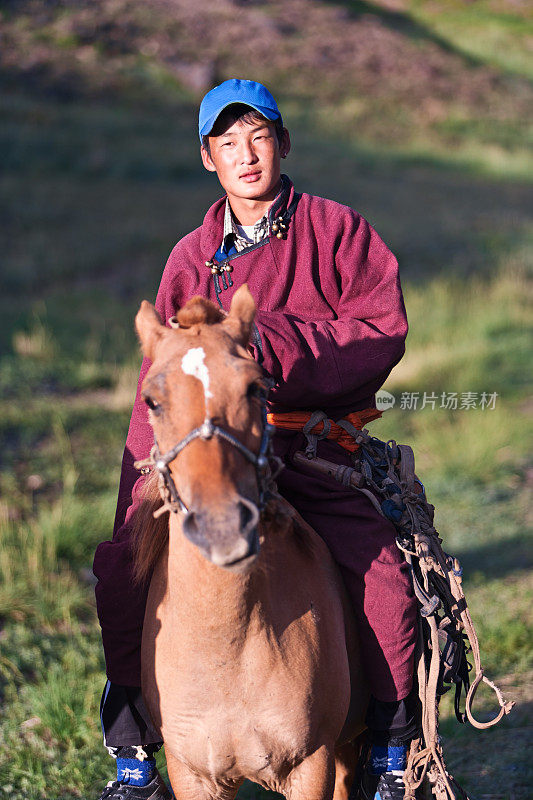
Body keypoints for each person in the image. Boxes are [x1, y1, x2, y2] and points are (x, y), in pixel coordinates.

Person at [93, 79, 420, 800]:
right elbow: (163, 376)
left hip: (308, 447)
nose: (246, 155)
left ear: (282, 143)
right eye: (228, 143)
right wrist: (135, 489)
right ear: (208, 158)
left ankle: (389, 750)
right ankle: (135, 748)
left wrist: (271, 344)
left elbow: (379, 330)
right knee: (120, 571)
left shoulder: (339, 231)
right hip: (209, 453)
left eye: (259, 137)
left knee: (382, 572)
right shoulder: (189, 257)